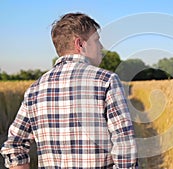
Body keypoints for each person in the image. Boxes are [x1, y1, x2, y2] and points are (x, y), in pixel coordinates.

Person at [1, 12, 138, 169]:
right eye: (96, 41)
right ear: (80, 44)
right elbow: (124, 145)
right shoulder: (106, 81)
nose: (101, 47)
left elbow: (14, 145)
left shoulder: (34, 90)